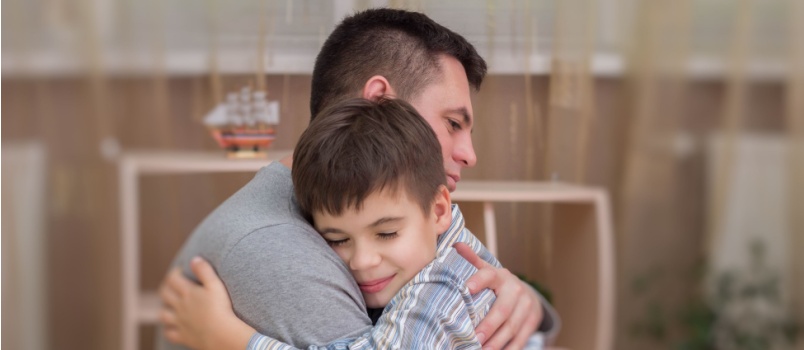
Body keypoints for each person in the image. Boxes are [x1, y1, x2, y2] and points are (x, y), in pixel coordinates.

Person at [157, 8, 558, 350]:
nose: (469, 155)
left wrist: (530, 305)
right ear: (380, 102)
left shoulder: (430, 237)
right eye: (452, 123)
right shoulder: (281, 251)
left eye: (385, 234)